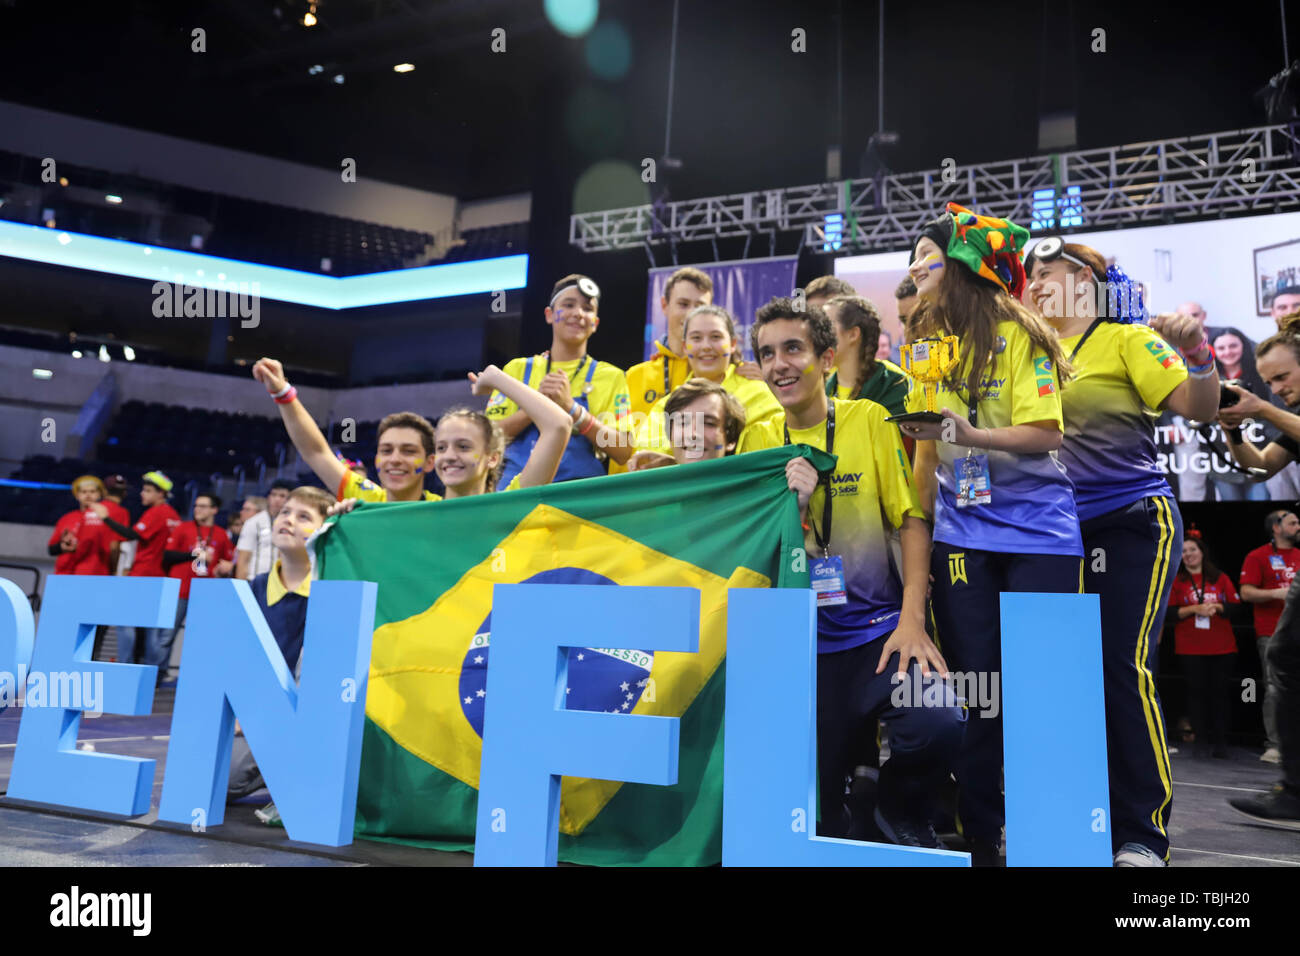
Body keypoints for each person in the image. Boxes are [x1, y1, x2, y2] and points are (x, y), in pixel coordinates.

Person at [738, 295, 964, 847]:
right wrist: (792, 515)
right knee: (819, 824)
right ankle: (851, 800)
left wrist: (912, 621)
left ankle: (896, 805)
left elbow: (910, 521)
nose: (779, 365)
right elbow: (754, 551)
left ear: (826, 356)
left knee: (939, 718)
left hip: (876, 634)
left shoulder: (866, 420)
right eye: (767, 354)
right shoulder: (759, 439)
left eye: (793, 348)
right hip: (800, 645)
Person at [1023, 235, 1217, 866]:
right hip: (1055, 534)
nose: (1038, 278)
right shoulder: (1028, 355)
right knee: (1065, 678)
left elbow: (1199, 407)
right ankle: (1080, 817)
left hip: (1132, 522)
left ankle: (1142, 833)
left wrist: (1197, 353)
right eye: (1032, 273)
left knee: (1121, 665)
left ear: (1088, 282)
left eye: (1051, 268)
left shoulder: (1129, 339)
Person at [897, 204, 1081, 867]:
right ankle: (982, 835)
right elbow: (925, 450)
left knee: (1042, 688)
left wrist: (968, 436)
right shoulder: (924, 347)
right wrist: (918, 519)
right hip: (963, 536)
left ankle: (1054, 828)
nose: (918, 273)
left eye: (929, 262)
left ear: (963, 270)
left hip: (1040, 536)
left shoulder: (1020, 336)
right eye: (914, 263)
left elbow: (1045, 435)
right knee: (978, 691)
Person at [257, 356, 569, 505]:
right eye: (444, 446)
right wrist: (283, 392)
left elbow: (558, 425)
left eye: (463, 446)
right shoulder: (370, 504)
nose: (450, 456)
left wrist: (496, 378)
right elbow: (315, 451)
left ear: (492, 458)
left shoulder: (504, 506)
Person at [227, 485, 337, 822]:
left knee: (231, 778)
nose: (288, 520)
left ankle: (292, 773)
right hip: (254, 717)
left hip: (305, 719)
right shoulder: (253, 589)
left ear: (324, 532)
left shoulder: (333, 592)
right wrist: (238, 714)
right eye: (285, 512)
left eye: (304, 516)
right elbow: (235, 663)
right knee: (215, 779)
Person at [485, 274, 636, 485]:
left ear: (595, 323)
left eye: (587, 308)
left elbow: (623, 450)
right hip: (516, 494)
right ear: (549, 314)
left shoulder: (611, 377)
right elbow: (487, 439)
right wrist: (536, 405)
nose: (578, 313)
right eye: (568, 304)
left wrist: (572, 408)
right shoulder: (517, 370)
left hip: (577, 498)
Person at [632, 305, 780, 456]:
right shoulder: (664, 406)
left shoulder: (760, 393)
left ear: (733, 344)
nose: (706, 346)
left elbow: (776, 452)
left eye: (716, 337)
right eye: (696, 338)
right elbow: (648, 457)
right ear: (685, 347)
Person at [1228, 563, 1300, 829]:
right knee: (1284, 658)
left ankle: (1295, 794)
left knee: (1286, 657)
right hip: (1265, 628)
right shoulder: (1259, 557)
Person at [95, 471, 182, 666]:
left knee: (125, 622)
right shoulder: (173, 515)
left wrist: (106, 518)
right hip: (159, 577)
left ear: (161, 494)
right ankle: (149, 671)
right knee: (150, 628)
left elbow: (132, 534)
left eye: (148, 490)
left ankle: (126, 666)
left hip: (143, 575)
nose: (142, 493)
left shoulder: (156, 512)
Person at [1168, 533, 1241, 759]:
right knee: (1196, 694)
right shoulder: (1176, 581)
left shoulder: (1219, 578)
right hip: (1190, 646)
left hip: (1222, 645)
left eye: (1193, 550)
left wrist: (1218, 607)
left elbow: (1237, 607)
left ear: (1202, 553)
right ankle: (1200, 741)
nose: (1188, 555)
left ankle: (1220, 742)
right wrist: (1194, 610)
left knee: (1220, 695)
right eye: (1184, 551)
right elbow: (1168, 613)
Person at [1239, 510, 1300, 764]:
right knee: (1275, 689)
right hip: (1272, 633)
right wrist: (1279, 593)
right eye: (1293, 522)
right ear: (1276, 527)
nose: (1298, 526)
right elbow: (1245, 592)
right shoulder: (1258, 556)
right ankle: (1275, 745)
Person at [154, 491, 235, 682]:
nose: (197, 509)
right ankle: (157, 676)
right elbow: (167, 556)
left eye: (203, 506)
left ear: (214, 510)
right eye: (196, 506)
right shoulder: (184, 528)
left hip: (206, 592)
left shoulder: (222, 534)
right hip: (181, 589)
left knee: (201, 637)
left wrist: (225, 568)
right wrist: (194, 555)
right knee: (166, 635)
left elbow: (227, 561)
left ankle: (195, 676)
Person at [626, 267, 714, 417]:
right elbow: (617, 437)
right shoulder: (634, 377)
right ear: (664, 306)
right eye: (683, 304)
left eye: (699, 306)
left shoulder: (724, 374)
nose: (690, 314)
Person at [626, 378, 748, 471]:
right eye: (683, 422)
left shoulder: (756, 498)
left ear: (731, 440)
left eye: (708, 423)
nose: (693, 434)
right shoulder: (649, 500)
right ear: (670, 436)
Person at [822, 295, 910, 417]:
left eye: (826, 327)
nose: (817, 335)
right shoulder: (822, 389)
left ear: (853, 334)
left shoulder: (894, 385)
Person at [47, 476, 113, 577]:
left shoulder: (108, 518)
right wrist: (63, 546)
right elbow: (51, 549)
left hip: (97, 574)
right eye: (83, 492)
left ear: (100, 494)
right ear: (77, 495)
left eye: (92, 491)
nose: (88, 495)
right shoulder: (67, 518)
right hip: (65, 573)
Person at [235, 496, 270, 581]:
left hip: (255, 580)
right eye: (243, 509)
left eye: (247, 509)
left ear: (260, 512)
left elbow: (243, 561)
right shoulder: (239, 533)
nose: (242, 512)